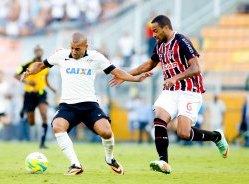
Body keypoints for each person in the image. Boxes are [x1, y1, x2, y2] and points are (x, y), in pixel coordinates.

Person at [109, 15, 229, 174]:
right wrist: (125, 75)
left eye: (156, 31)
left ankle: (216, 137)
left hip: (189, 91)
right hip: (171, 91)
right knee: (159, 117)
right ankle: (163, 161)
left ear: (166, 28)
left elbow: (196, 68)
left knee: (184, 133)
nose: (154, 35)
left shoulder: (181, 41)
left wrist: (175, 77)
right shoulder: (159, 45)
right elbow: (150, 64)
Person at [20, 32, 152, 175]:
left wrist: (136, 79)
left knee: (107, 132)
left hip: (89, 105)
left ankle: (110, 159)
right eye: (72, 48)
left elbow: (117, 71)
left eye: (77, 49)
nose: (73, 52)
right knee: (58, 126)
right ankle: (75, 165)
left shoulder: (96, 57)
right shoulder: (61, 55)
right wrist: (29, 71)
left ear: (86, 47)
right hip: (68, 106)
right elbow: (40, 65)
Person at [14, 45, 56, 149]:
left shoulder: (46, 65)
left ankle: (42, 142)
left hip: (41, 94)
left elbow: (45, 79)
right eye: (37, 50)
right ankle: (24, 110)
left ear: (42, 51)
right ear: (34, 52)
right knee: (31, 121)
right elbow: (16, 75)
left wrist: (51, 88)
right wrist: (27, 81)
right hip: (30, 95)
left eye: (40, 50)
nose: (38, 52)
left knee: (44, 114)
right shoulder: (27, 65)